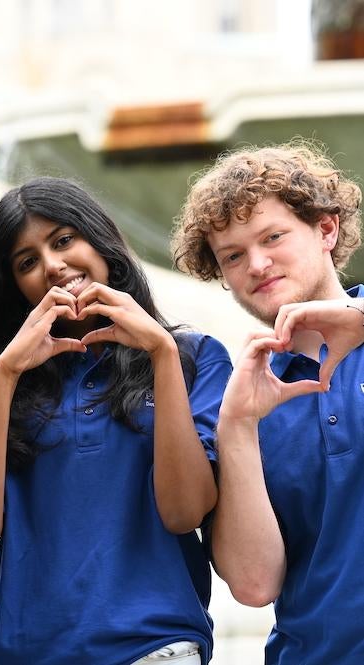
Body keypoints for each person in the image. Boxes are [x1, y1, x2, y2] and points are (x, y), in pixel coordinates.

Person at [0, 176, 232, 665]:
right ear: (14, 285)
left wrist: (161, 354)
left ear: (99, 241)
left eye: (63, 240)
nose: (53, 266)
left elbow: (186, 513)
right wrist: (5, 375)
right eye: (27, 262)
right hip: (16, 652)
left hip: (153, 646)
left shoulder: (193, 359)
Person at [171, 141, 364, 664]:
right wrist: (236, 429)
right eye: (232, 255)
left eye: (273, 237)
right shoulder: (247, 398)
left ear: (326, 229)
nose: (256, 264)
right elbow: (255, 584)